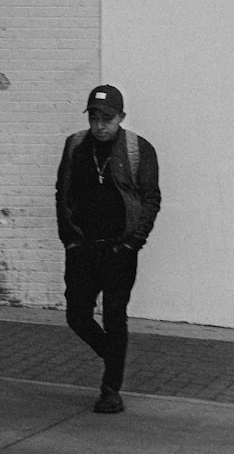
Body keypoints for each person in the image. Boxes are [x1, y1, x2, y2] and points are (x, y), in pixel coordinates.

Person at [55, 84, 161, 413]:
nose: (100, 125)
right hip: (83, 249)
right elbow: (62, 193)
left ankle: (110, 389)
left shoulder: (138, 150)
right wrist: (70, 240)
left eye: (107, 118)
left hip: (119, 250)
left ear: (121, 117)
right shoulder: (74, 146)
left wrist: (132, 243)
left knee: (115, 318)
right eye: (94, 117)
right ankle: (114, 355)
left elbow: (151, 199)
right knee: (77, 315)